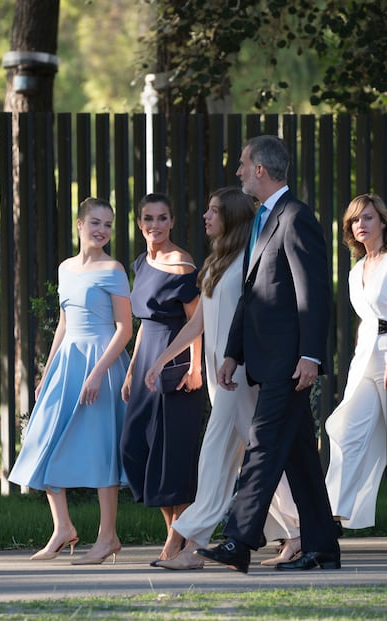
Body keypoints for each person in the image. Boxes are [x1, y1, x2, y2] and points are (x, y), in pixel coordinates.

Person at [195, 135, 341, 573]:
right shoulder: (263, 217)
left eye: (242, 164)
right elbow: (252, 295)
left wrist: (311, 355)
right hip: (265, 361)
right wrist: (232, 354)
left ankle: (239, 540)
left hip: (289, 362)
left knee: (260, 447)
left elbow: (313, 293)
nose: (238, 171)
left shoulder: (295, 217)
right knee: (299, 459)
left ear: (260, 169)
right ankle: (322, 548)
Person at [144, 186, 301, 570]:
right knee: (259, 455)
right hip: (220, 376)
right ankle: (299, 531)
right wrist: (163, 359)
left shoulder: (249, 260)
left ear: (230, 216)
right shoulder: (215, 264)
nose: (206, 216)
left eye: (213, 211)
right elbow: (197, 321)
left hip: (242, 374)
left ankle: (192, 542)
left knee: (216, 453)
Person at [9, 197, 132, 565]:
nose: (102, 230)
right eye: (95, 222)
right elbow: (64, 323)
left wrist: (96, 375)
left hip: (102, 365)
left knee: (100, 447)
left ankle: (107, 536)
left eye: (108, 225)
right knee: (41, 439)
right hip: (67, 364)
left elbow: (125, 329)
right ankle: (62, 527)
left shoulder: (114, 269)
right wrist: (46, 374)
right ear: (79, 224)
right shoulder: (64, 269)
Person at [120, 192, 203, 561]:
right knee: (136, 449)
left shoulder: (183, 264)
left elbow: (197, 322)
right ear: (140, 224)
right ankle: (174, 533)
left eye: (162, 218)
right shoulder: (141, 263)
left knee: (172, 454)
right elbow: (142, 324)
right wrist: (131, 369)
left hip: (175, 361)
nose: (155, 225)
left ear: (171, 222)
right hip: (146, 365)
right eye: (148, 219)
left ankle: (176, 540)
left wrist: (195, 367)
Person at [325, 193, 387, 530]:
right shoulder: (357, 269)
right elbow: (365, 320)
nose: (360, 224)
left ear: (382, 222)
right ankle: (331, 517)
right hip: (365, 358)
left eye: (368, 218)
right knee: (346, 430)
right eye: (355, 220)